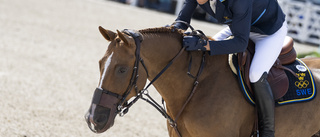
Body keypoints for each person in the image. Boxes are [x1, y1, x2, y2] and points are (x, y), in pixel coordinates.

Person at [171, 0, 288, 136]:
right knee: (207, 58)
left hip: (268, 32)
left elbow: (240, 44)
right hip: (240, 25)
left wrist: (204, 44)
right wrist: (172, 31)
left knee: (255, 74)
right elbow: (182, 22)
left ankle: (268, 131)